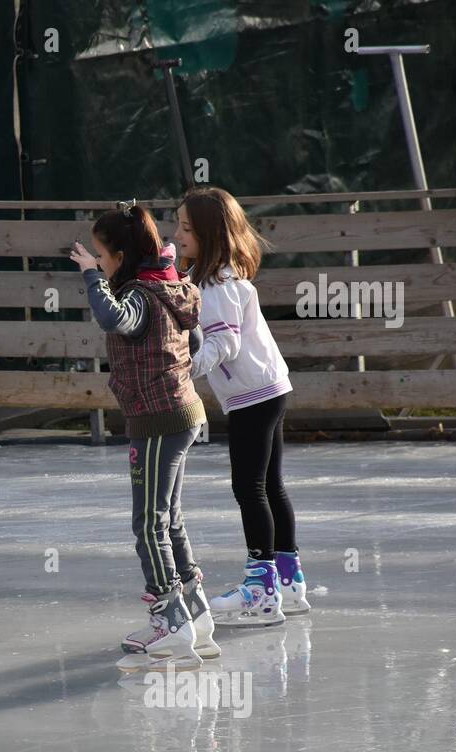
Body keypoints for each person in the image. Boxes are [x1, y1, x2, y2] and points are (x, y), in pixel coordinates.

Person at [70, 201, 218, 671]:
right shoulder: (169, 286)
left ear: (119, 255)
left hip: (159, 418)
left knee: (148, 523)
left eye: (100, 254)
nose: (97, 261)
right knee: (169, 519)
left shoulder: (139, 295)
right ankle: (195, 614)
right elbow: (192, 343)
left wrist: (92, 277)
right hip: (182, 411)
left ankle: (169, 622)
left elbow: (115, 319)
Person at [173, 187, 310, 627]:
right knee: (271, 484)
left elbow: (225, 342)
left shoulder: (216, 284)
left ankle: (261, 588)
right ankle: (288, 581)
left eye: (186, 228)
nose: (178, 234)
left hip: (253, 395)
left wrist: (186, 368)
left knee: (248, 486)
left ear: (210, 234)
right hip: (270, 387)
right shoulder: (217, 278)